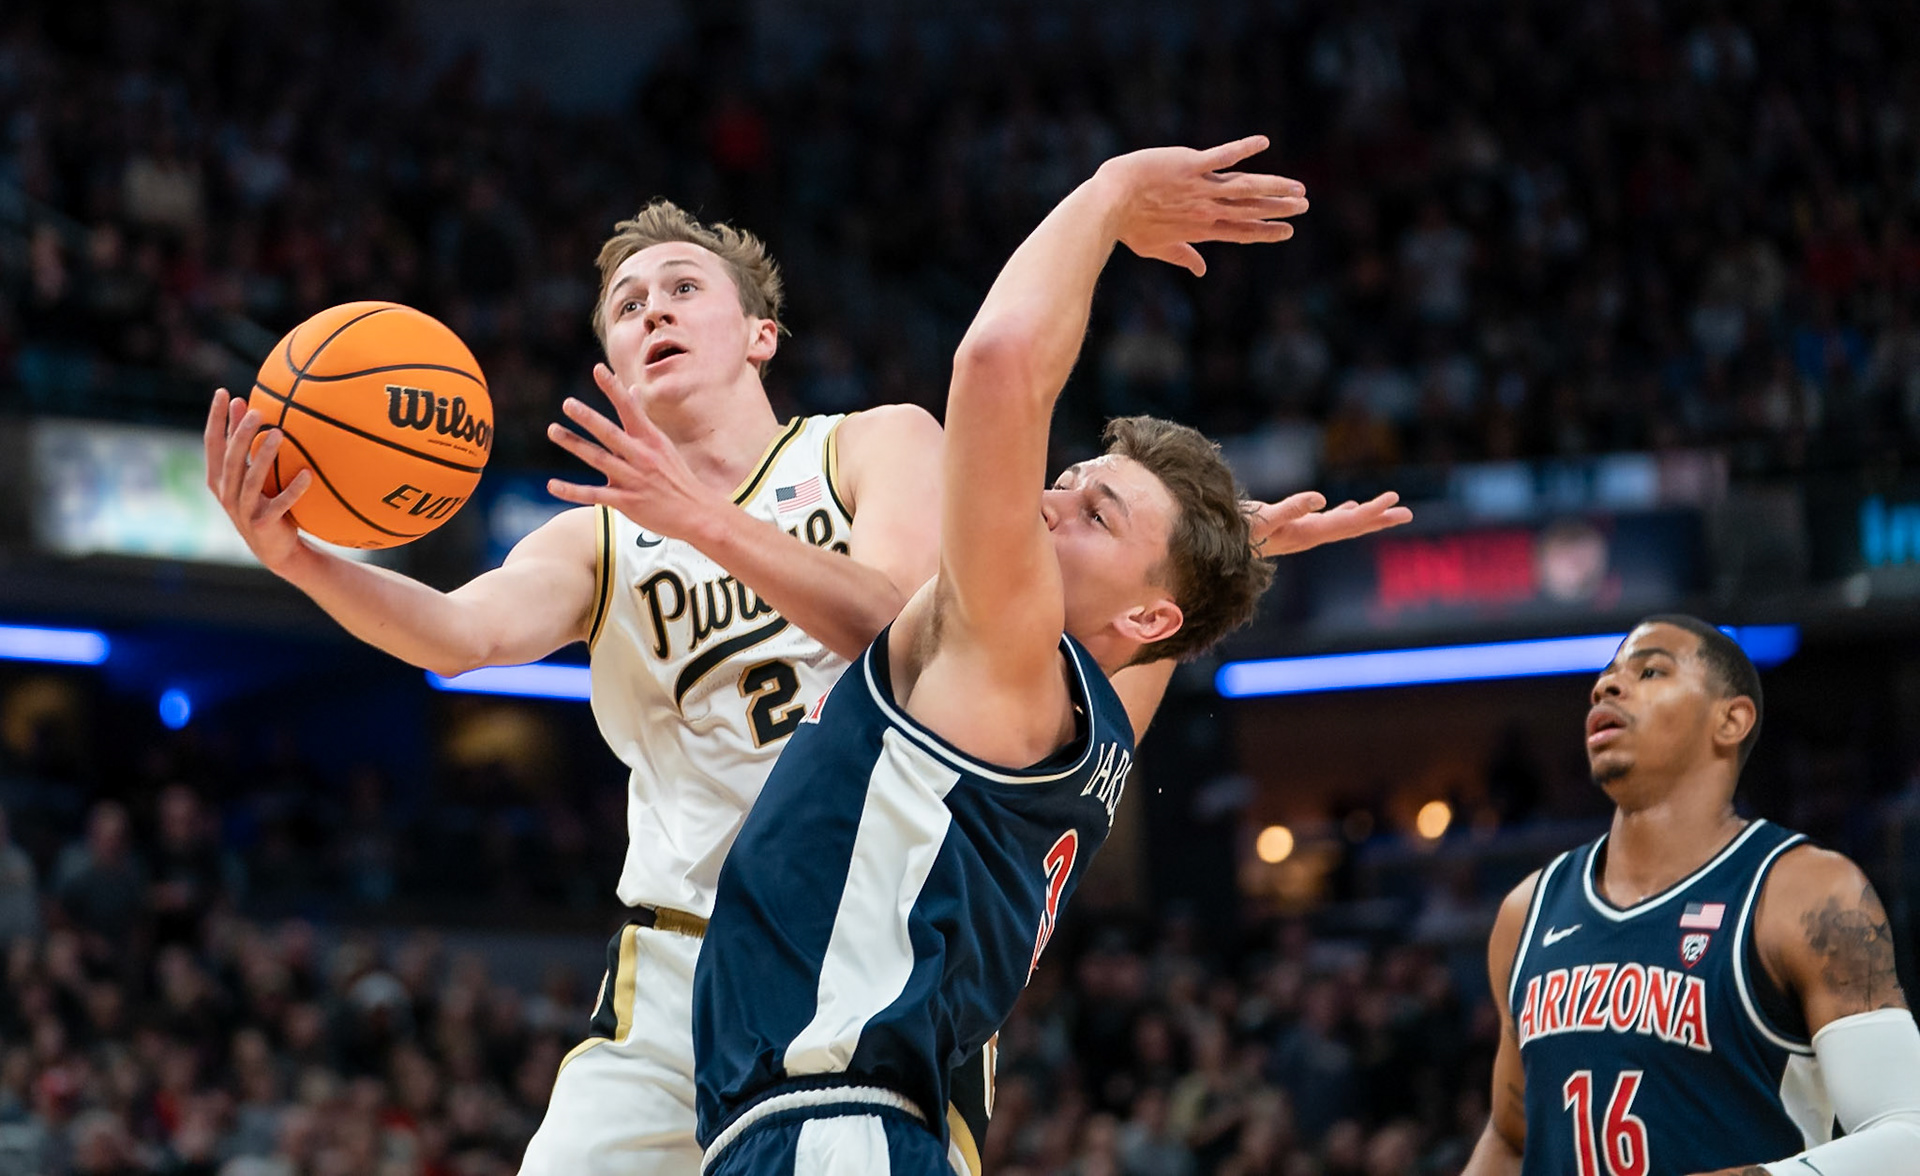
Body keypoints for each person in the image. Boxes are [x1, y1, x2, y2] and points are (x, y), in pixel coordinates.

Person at [207, 196, 1407, 1176]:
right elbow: (457, 635)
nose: (652, 309)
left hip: (873, 968)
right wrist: (300, 555)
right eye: (627, 304)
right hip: (680, 968)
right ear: (609, 355)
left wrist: (1198, 564)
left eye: (683, 288)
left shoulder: (869, 443)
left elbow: (906, 616)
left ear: (759, 335)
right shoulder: (600, 537)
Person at [690, 137, 1314, 1175]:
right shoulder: (1097, 719)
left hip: (831, 1127)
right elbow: (1162, 630)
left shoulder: (1012, 658)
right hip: (859, 1128)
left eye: (1095, 513)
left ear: (1148, 611)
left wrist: (1109, 195)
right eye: (1071, 477)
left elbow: (995, 365)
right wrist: (1232, 550)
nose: (1049, 498)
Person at [1461, 615, 1920, 1176]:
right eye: (1604, 677)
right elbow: (1511, 1140)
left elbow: (1907, 1135)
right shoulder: (1527, 910)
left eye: (1650, 670)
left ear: (1730, 720)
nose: (1604, 686)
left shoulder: (1808, 893)